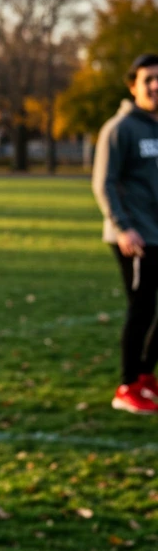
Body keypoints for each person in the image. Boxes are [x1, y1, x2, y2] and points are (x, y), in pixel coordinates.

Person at [93, 52, 158, 414]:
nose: (155, 85)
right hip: (135, 237)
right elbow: (104, 183)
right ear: (133, 86)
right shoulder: (119, 129)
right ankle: (127, 385)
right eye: (147, 79)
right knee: (142, 310)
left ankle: (146, 375)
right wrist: (123, 227)